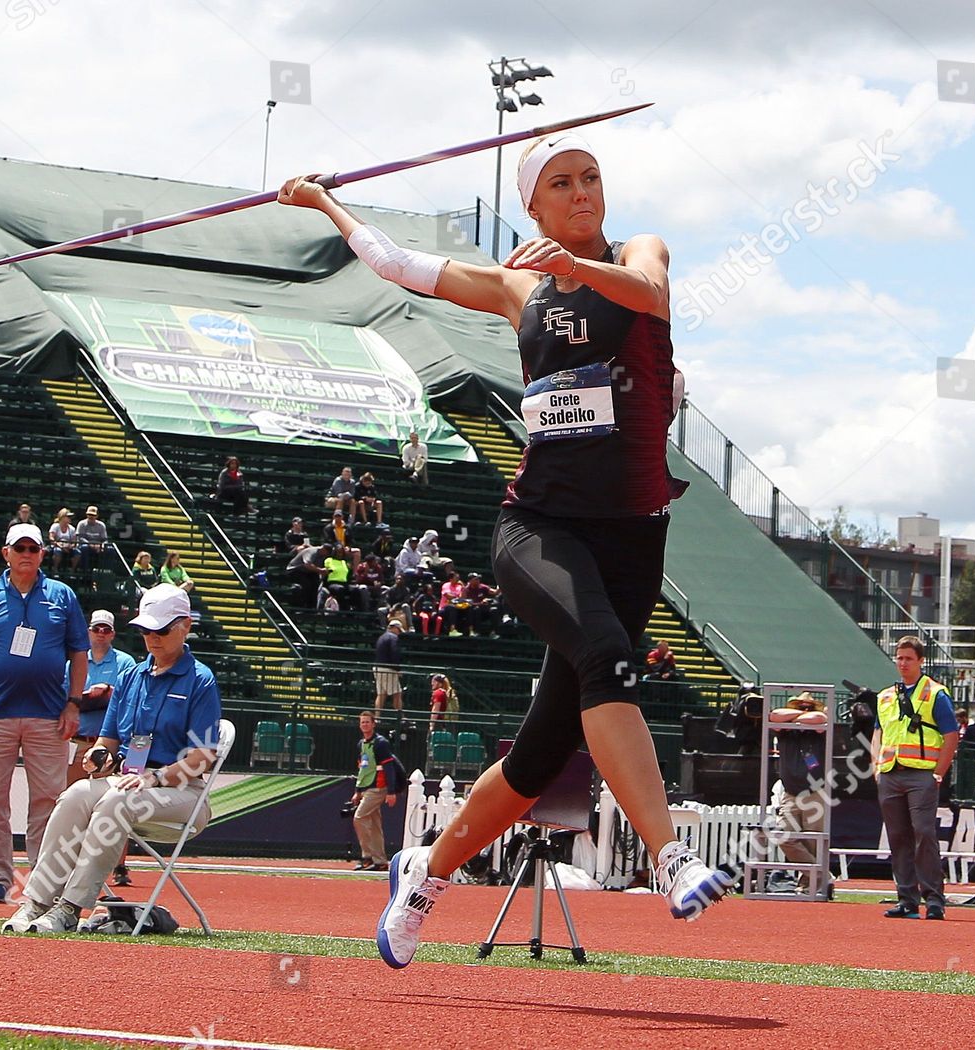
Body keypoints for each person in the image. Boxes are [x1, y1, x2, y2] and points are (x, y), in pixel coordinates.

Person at [280, 129, 730, 972]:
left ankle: (421, 874)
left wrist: (578, 268)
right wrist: (325, 203)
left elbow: (648, 288)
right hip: (541, 529)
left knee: (533, 762)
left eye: (592, 178)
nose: (583, 192)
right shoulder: (514, 286)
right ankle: (673, 858)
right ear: (532, 203)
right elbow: (393, 262)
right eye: (561, 183)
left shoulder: (638, 253)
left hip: (633, 536)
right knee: (607, 658)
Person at [1, 584, 222, 934]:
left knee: (116, 800)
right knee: (74, 795)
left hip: (183, 793)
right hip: (127, 781)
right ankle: (37, 902)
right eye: (146, 629)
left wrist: (155, 777)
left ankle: (70, 908)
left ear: (186, 626)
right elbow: (108, 741)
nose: (152, 637)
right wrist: (98, 757)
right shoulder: (130, 676)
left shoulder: (200, 680)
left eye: (162, 629)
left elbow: (203, 756)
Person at [0, 523, 89, 905]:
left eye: (33, 547)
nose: (26, 553)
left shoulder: (62, 596)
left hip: (48, 715)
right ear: (6, 552)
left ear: (43, 553)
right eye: (20, 547)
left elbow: (79, 653)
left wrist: (74, 703)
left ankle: (43, 878)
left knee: (49, 799)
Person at [872, 636, 960, 920]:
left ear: (921, 661)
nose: (903, 663)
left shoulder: (935, 693)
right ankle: (907, 898)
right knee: (898, 837)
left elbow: (951, 735)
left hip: (922, 773)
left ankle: (934, 899)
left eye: (909, 658)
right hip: (890, 773)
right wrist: (876, 765)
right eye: (899, 658)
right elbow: (878, 733)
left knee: (924, 833)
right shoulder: (885, 696)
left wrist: (938, 772)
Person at [69, 608, 138, 888]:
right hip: (79, 740)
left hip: (108, 744)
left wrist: (100, 695)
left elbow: (123, 700)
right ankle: (72, 861)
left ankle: (119, 864)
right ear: (89, 631)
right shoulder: (75, 661)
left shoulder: (125, 662)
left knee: (114, 804)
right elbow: (68, 696)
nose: (101, 634)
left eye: (106, 629)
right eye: (96, 628)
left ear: (113, 633)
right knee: (74, 802)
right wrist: (92, 696)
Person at [768, 693, 831, 898]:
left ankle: (809, 885)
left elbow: (820, 719)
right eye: (800, 706)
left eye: (808, 707)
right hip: (790, 792)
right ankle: (821, 875)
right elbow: (774, 715)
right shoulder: (786, 730)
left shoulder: (818, 730)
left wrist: (800, 717)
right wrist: (797, 717)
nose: (805, 710)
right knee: (783, 835)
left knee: (813, 840)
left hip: (815, 792)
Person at [349, 710, 402, 871]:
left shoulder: (381, 743)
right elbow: (363, 770)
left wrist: (391, 791)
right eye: (362, 722)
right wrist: (358, 791)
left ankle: (367, 856)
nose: (364, 725)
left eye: (367, 722)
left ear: (373, 724)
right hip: (366, 787)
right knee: (374, 824)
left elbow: (389, 767)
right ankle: (380, 861)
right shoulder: (361, 744)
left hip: (378, 787)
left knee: (359, 817)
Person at [286, 542, 331, 608]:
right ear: (323, 549)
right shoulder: (312, 551)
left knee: (316, 584)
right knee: (307, 585)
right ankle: (303, 606)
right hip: (295, 570)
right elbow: (307, 565)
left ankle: (312, 608)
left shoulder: (323, 556)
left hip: (308, 572)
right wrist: (320, 570)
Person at [372, 619, 404, 713]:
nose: (399, 633)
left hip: (377, 667)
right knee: (397, 693)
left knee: (381, 694)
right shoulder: (393, 638)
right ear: (394, 628)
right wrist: (398, 669)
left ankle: (377, 717)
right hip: (388, 669)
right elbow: (395, 653)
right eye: (398, 630)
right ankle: (400, 718)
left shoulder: (381, 637)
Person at [951, 707, 975, 800]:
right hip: (961, 757)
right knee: (960, 776)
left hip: (969, 757)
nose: (958, 721)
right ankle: (960, 795)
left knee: (969, 778)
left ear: (964, 717)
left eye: (959, 719)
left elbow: (973, 743)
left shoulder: (972, 728)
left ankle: (969, 796)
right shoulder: (960, 727)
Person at [76, 506, 110, 575]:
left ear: (97, 516)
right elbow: (80, 538)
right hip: (86, 545)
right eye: (89, 515)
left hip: (98, 546)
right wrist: (90, 544)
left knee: (110, 549)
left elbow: (105, 539)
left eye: (93, 515)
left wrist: (102, 546)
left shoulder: (101, 525)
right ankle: (84, 572)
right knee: (84, 548)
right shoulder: (81, 524)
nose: (91, 517)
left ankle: (105, 572)